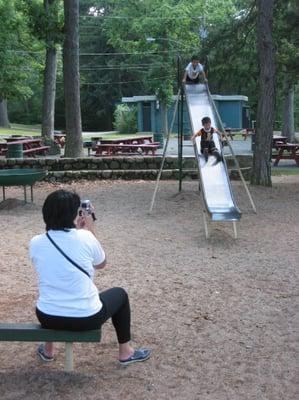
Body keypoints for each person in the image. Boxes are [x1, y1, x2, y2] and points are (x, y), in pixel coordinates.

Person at [30, 189, 151, 366]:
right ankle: (126, 352)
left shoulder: (35, 242)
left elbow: (55, 264)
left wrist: (75, 231)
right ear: (73, 214)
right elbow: (101, 264)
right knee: (121, 294)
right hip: (86, 317)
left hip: (47, 315)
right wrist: (89, 229)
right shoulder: (86, 237)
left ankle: (48, 350)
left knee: (54, 289)